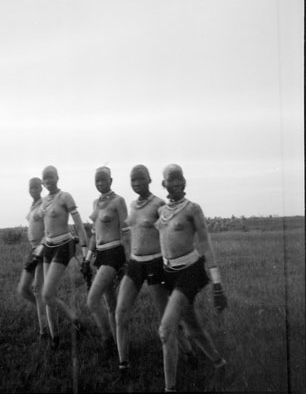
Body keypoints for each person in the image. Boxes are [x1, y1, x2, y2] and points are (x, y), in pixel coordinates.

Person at [115, 165, 195, 379]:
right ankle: (123, 362)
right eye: (133, 180)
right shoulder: (132, 204)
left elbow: (171, 234)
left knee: (164, 318)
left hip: (154, 265)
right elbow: (132, 234)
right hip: (134, 264)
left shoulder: (159, 204)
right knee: (121, 312)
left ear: (149, 180)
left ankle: (188, 352)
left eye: (140, 179)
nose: (136, 184)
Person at [156, 163, 228, 392]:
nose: (175, 185)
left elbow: (206, 243)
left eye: (179, 181)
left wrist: (217, 284)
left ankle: (170, 388)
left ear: (184, 183)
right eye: (171, 181)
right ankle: (220, 363)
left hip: (190, 271)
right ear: (163, 184)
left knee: (166, 330)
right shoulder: (161, 211)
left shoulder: (193, 209)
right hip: (168, 274)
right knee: (192, 327)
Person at [81, 166, 130, 358]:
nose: (100, 183)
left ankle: (107, 338)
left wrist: (127, 261)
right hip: (101, 255)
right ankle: (120, 345)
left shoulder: (119, 201)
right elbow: (94, 234)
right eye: (97, 180)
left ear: (111, 180)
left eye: (103, 180)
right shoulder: (96, 202)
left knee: (93, 300)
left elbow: (126, 232)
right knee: (110, 303)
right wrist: (87, 259)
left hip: (114, 253)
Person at [39, 165, 89, 350]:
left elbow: (79, 225)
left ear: (57, 178)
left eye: (51, 177)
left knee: (46, 294)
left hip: (64, 246)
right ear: (42, 182)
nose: (48, 181)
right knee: (49, 295)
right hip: (48, 247)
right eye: (45, 178)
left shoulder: (65, 197)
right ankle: (55, 338)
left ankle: (75, 319)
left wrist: (84, 254)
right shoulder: (43, 201)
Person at [17, 177, 48, 340]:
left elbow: (48, 229)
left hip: (42, 250)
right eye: (31, 188)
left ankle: (44, 331)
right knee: (23, 289)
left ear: (41, 188)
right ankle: (46, 311)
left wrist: (42, 247)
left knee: (37, 290)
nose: (33, 190)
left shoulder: (44, 204)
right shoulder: (33, 205)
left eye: (36, 188)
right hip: (33, 250)